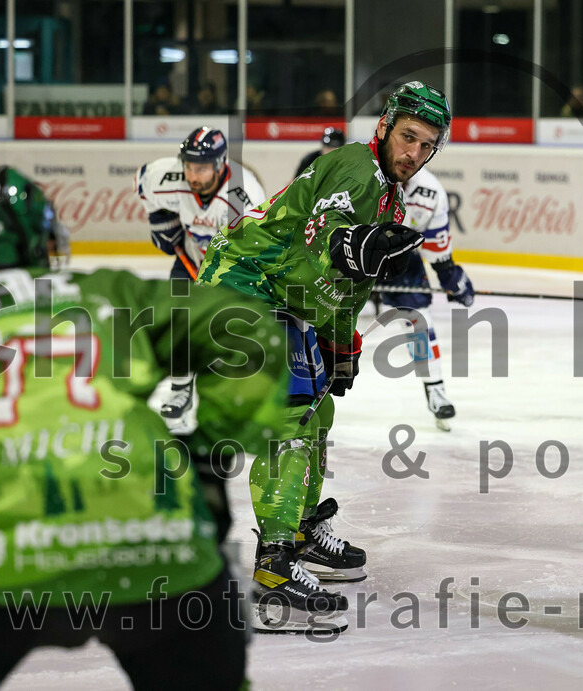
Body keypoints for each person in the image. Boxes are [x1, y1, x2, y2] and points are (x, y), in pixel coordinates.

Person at [0, 166, 299, 687]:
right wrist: (205, 456)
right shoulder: (109, 293)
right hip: (152, 546)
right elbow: (249, 332)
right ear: (45, 239)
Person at [197, 81, 452, 631]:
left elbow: (346, 284)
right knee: (290, 410)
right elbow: (328, 235)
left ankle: (303, 525)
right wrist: (353, 245)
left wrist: (341, 344)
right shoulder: (354, 168)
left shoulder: (392, 197)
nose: (415, 153)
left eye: (428, 145)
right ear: (384, 128)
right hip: (241, 284)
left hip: (282, 297)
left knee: (319, 409)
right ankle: (275, 563)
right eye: (409, 137)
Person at [135, 126, 267, 435]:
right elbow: (142, 183)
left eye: (202, 168)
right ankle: (180, 389)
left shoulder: (244, 195)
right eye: (190, 166)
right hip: (192, 262)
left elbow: (255, 250)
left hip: (235, 267)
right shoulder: (166, 177)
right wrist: (161, 222)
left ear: (220, 165)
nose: (193, 175)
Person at [379, 165, 475, 430]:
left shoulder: (431, 192)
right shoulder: (364, 174)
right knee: (324, 316)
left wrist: (452, 278)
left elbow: (436, 247)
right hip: (348, 252)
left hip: (399, 260)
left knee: (419, 322)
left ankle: (435, 387)